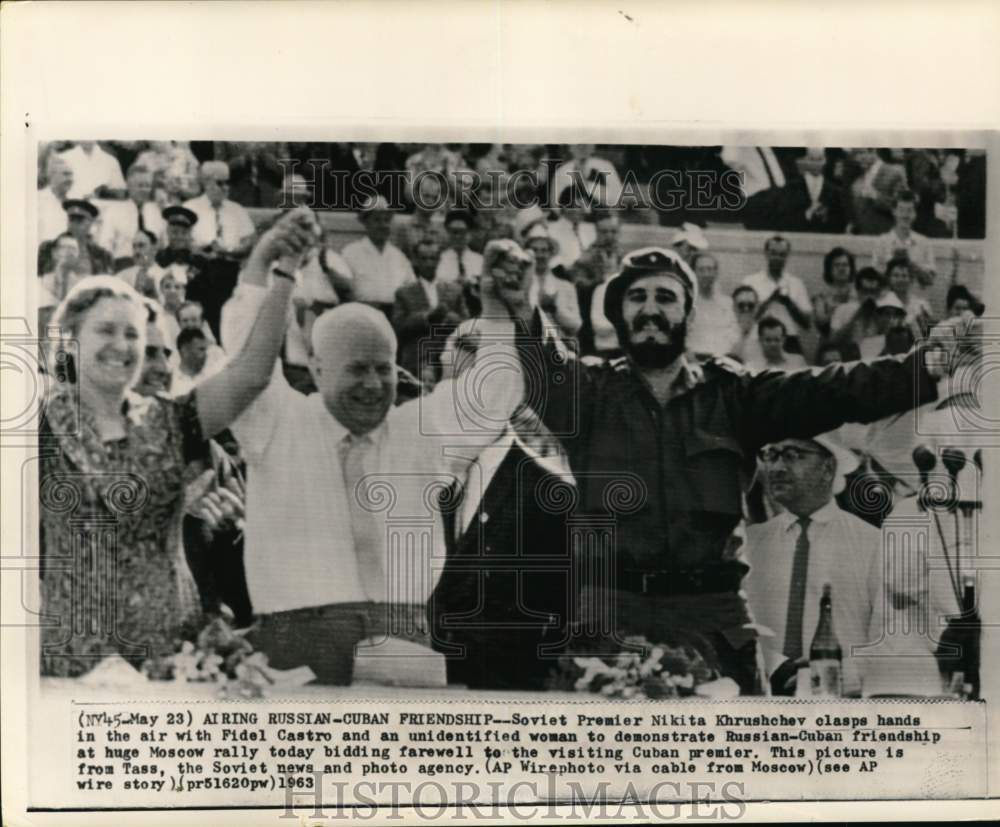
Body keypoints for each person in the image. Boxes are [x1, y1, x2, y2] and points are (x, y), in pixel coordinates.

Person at [491, 244, 948, 693]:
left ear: (689, 317)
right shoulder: (587, 393)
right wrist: (522, 304)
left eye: (666, 298)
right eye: (638, 297)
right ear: (618, 315)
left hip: (712, 617)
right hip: (610, 615)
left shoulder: (733, 396)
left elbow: (833, 390)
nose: (651, 310)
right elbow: (546, 366)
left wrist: (923, 369)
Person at [219, 239, 524, 685]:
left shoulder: (418, 427)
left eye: (383, 368)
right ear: (319, 369)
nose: (373, 384)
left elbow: (494, 395)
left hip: (407, 635)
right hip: (298, 638)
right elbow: (247, 363)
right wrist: (262, 269)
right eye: (357, 369)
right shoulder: (278, 422)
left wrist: (495, 308)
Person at [38, 208, 319, 677]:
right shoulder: (43, 424)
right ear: (73, 342)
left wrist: (282, 269)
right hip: (76, 660)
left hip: (168, 651)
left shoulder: (169, 420)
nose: (123, 345)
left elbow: (250, 375)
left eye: (132, 333)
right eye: (105, 330)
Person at [743, 436, 885, 696]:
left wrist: (834, 673)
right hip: (760, 702)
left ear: (828, 468)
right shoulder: (749, 544)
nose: (777, 468)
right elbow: (735, 626)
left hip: (842, 707)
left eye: (793, 455)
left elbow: (892, 637)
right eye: (771, 455)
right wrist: (778, 668)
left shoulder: (875, 545)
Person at [391, 239, 468, 382]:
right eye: (424, 259)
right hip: (418, 356)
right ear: (415, 260)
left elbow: (467, 325)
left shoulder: (454, 290)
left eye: (433, 258)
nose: (428, 263)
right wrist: (426, 318)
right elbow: (398, 328)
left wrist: (449, 318)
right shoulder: (404, 292)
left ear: (439, 260)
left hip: (448, 355)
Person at [340, 195, 416, 316]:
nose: (383, 225)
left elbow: (412, 290)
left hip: (395, 317)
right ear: (366, 222)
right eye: (377, 220)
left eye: (386, 220)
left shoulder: (399, 257)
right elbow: (343, 291)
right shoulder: (350, 253)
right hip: (361, 315)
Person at [740, 236, 812, 354]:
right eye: (773, 253)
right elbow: (744, 320)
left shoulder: (796, 283)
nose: (777, 258)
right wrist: (769, 300)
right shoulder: (750, 281)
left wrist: (788, 303)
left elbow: (807, 323)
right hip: (759, 340)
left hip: (789, 340)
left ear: (787, 256)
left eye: (782, 254)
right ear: (766, 254)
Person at [97, 163, 166, 266]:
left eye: (147, 186)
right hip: (123, 265)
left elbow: (163, 245)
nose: (144, 190)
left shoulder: (157, 212)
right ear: (128, 185)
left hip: (152, 266)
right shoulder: (114, 211)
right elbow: (105, 245)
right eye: (140, 185)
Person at [523, 223, 581, 339]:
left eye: (544, 250)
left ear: (551, 254)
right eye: (535, 250)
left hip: (559, 345)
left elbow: (576, 324)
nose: (539, 255)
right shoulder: (521, 286)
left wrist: (554, 309)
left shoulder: (565, 286)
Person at [871, 190, 937, 287]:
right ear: (894, 211)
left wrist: (911, 264)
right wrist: (893, 263)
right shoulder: (882, 242)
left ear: (915, 214)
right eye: (901, 210)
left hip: (916, 299)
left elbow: (930, 282)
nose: (905, 215)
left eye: (909, 210)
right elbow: (875, 280)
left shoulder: (924, 242)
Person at [38, 199, 114, 277]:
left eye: (79, 220)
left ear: (90, 223)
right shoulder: (47, 249)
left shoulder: (102, 256)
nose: (74, 224)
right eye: (72, 219)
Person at [685, 252, 740, 359]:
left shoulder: (727, 303)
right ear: (693, 273)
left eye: (710, 269)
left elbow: (734, 334)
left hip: (722, 359)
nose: (706, 274)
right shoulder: (687, 304)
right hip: (695, 359)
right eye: (702, 270)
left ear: (716, 273)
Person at [780, 147, 847, 233]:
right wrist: (806, 214)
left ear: (825, 161)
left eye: (819, 159)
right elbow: (786, 217)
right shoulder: (792, 187)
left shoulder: (835, 191)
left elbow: (840, 221)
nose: (816, 164)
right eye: (812, 159)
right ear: (805, 160)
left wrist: (825, 217)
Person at [847, 148, 907, 236]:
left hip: (889, 237)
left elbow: (903, 207)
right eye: (855, 156)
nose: (857, 159)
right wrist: (854, 224)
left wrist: (876, 196)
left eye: (860, 154)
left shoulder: (895, 173)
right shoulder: (857, 182)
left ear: (872, 151)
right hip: (864, 239)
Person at [829, 265, 886, 353]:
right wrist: (857, 315)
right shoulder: (842, 310)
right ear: (858, 291)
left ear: (879, 293)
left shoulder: (884, 312)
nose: (869, 296)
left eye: (873, 292)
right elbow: (833, 341)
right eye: (865, 291)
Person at [550, 143, 623, 209]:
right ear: (570, 147)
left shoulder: (605, 166)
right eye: (577, 143)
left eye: (586, 142)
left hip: (602, 219)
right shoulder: (561, 172)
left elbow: (617, 201)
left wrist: (586, 184)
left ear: (593, 147)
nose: (582, 146)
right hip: (571, 220)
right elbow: (555, 206)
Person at [812, 246, 857, 342]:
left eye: (845, 265)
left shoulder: (859, 293)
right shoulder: (821, 295)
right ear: (829, 269)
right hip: (830, 345)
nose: (841, 268)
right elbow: (821, 322)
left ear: (851, 268)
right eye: (837, 265)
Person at [59, 140, 126, 200]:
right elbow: (55, 192)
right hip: (70, 208)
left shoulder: (111, 161)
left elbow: (120, 192)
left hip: (104, 210)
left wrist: (101, 194)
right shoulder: (63, 159)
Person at [885, 255, 933, 337]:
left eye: (904, 276)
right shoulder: (881, 304)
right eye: (896, 276)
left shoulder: (921, 306)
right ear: (889, 279)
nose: (900, 279)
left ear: (911, 279)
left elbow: (926, 335)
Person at [172, 327, 226, 397]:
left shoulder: (214, 375)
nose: (205, 354)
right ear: (185, 351)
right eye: (201, 349)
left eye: (205, 349)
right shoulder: (172, 383)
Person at [435, 209, 483, 284]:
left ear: (470, 233)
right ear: (447, 232)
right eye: (454, 232)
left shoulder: (480, 261)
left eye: (462, 232)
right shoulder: (438, 260)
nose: (457, 236)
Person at [38, 234, 85, 310]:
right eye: (65, 247)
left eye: (74, 249)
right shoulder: (41, 283)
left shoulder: (81, 284)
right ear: (54, 253)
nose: (70, 252)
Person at [37, 154, 75, 244]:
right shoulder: (37, 200)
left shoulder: (74, 203)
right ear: (52, 175)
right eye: (66, 174)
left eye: (71, 175)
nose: (70, 179)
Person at [114, 230, 164, 297]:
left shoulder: (164, 276)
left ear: (154, 248)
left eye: (141, 246)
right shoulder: (122, 276)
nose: (136, 251)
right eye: (134, 247)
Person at [726, 285, 764, 366]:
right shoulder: (724, 333)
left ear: (757, 307)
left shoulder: (765, 332)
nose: (746, 309)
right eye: (741, 305)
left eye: (751, 306)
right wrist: (744, 334)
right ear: (734, 307)